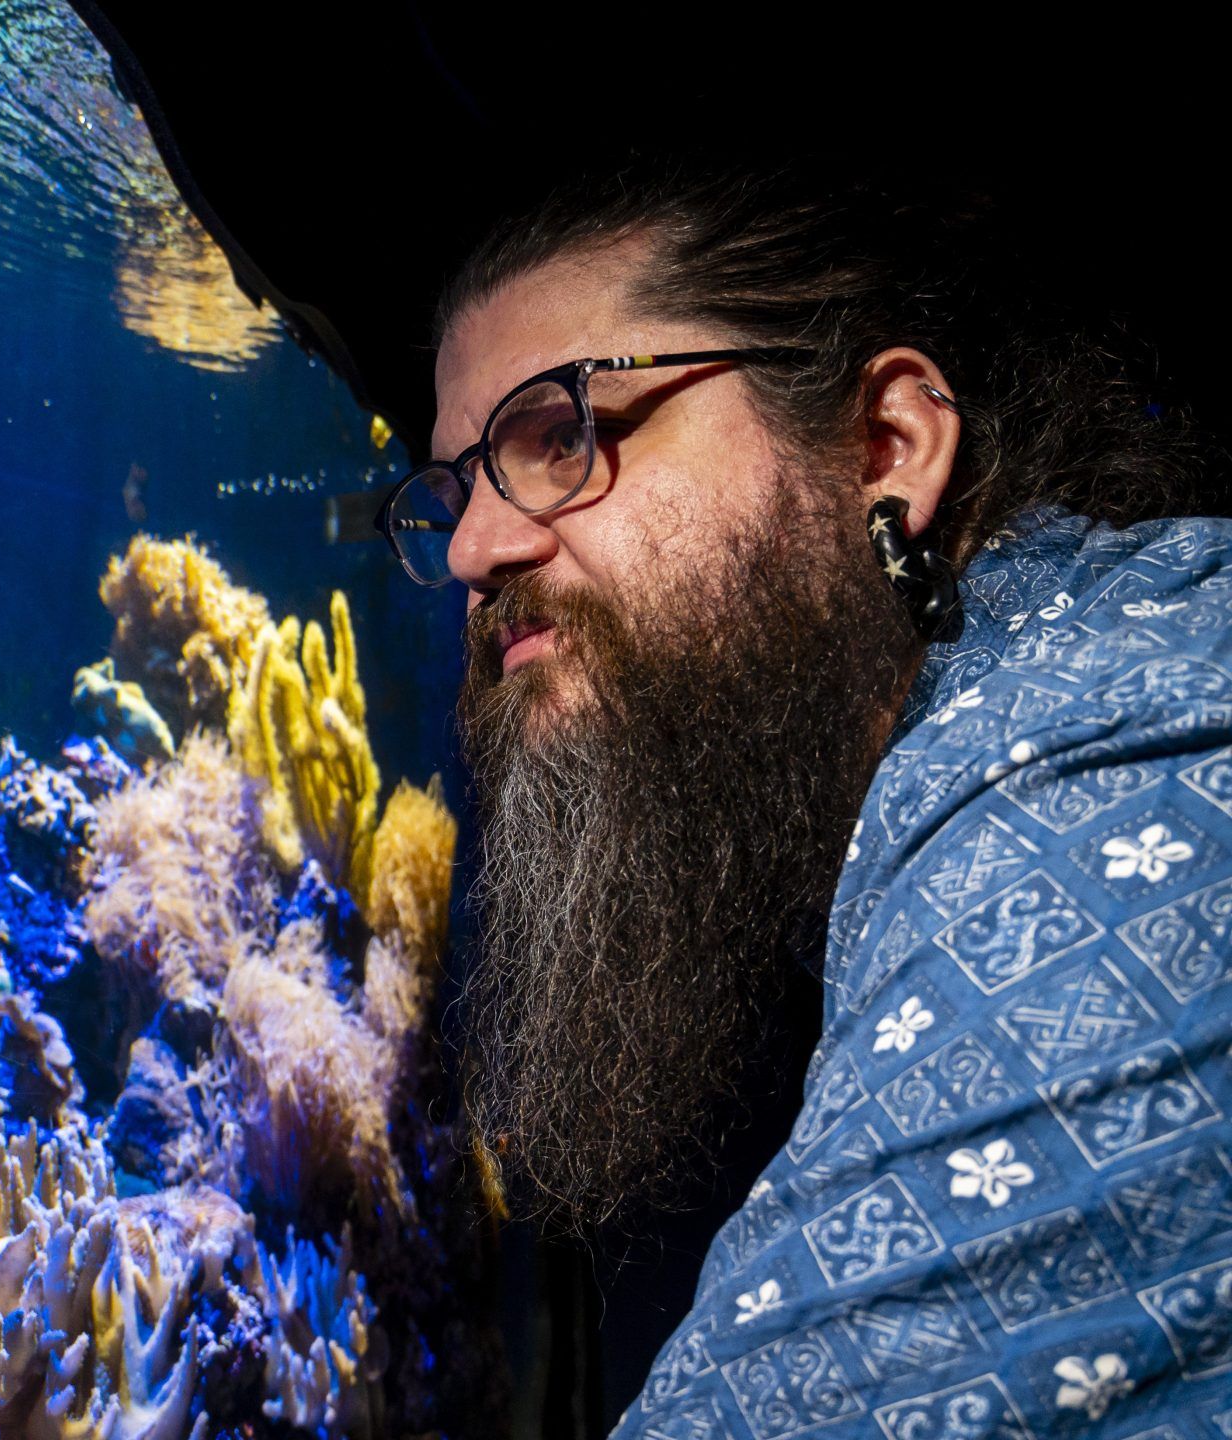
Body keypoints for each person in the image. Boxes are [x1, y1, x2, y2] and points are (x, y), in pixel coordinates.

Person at [389, 159, 1232, 1435]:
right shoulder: (956, 740)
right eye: (454, 491)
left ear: (881, 451)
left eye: (564, 434)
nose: (470, 551)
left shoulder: (1104, 772)